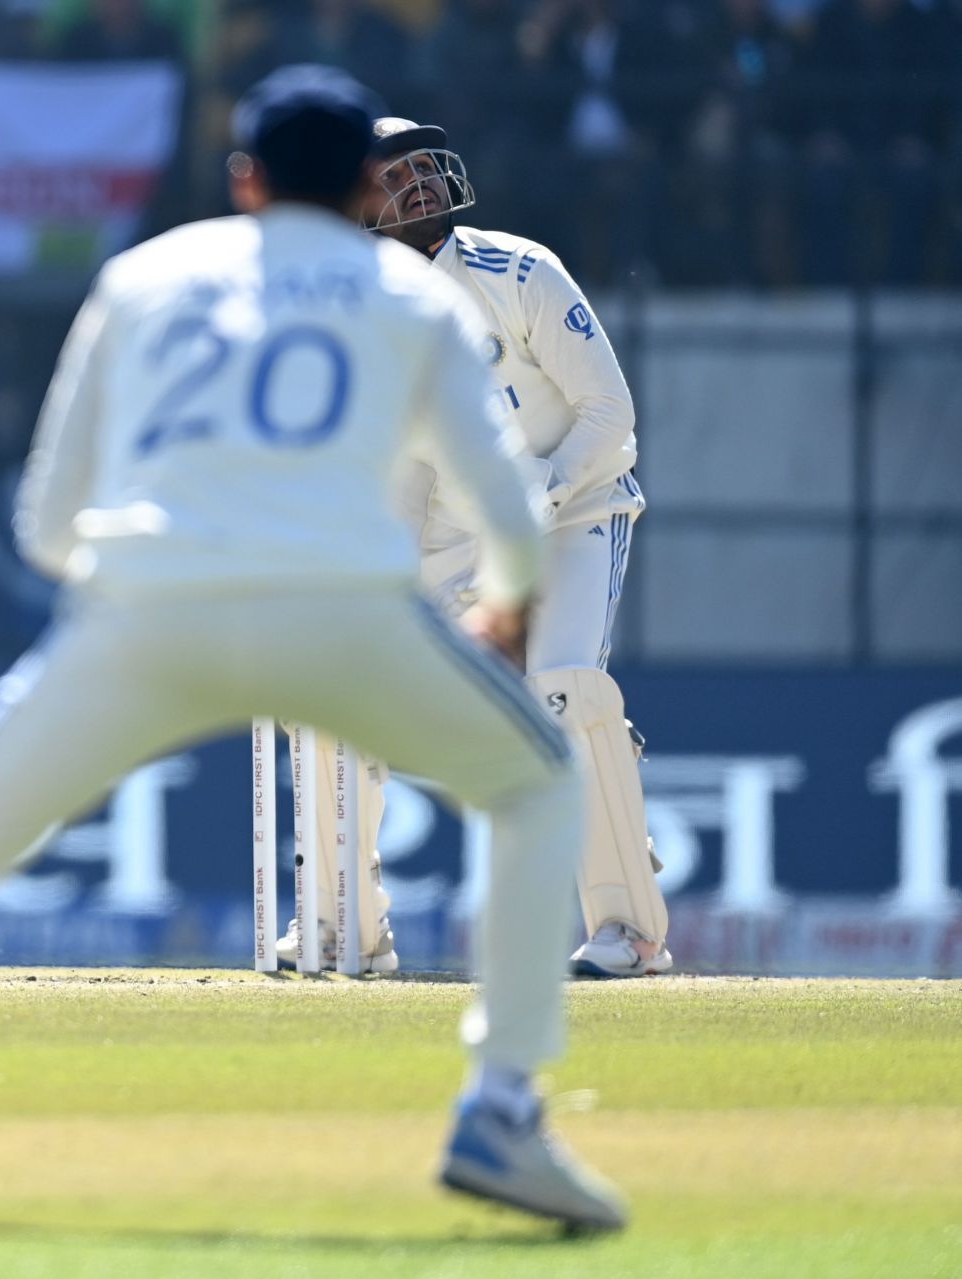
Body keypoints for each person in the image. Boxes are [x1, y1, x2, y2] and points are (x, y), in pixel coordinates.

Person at [0, 66, 627, 1231]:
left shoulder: (146, 278)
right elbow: (503, 506)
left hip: (148, 610)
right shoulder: (420, 302)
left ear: (244, 181)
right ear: (366, 192)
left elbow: (43, 520)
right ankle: (502, 1111)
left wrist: (141, 606)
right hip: (345, 611)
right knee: (535, 785)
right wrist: (510, 600)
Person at [284, 115, 665, 981]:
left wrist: (540, 496)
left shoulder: (521, 269)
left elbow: (611, 416)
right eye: (391, 174)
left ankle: (627, 930)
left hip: (575, 508)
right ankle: (347, 927)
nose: (415, 185)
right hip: (454, 526)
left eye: (423, 165)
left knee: (563, 692)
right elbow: (403, 460)